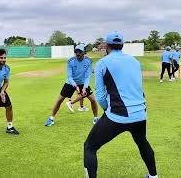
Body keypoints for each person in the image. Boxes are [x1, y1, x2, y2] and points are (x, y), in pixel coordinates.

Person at [84, 31, 158, 178]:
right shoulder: (135, 62)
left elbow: (100, 95)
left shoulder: (102, 63)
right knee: (142, 142)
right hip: (140, 113)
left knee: (90, 147)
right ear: (122, 45)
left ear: (107, 46)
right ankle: (154, 176)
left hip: (117, 115)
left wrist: (107, 109)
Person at [44, 44, 99, 126]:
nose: (77, 53)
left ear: (84, 52)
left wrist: (85, 87)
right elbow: (69, 76)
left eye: (79, 51)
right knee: (59, 100)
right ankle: (51, 118)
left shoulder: (88, 61)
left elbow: (88, 76)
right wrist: (76, 86)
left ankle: (95, 118)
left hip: (83, 82)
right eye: (76, 51)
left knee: (93, 100)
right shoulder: (70, 61)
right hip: (71, 82)